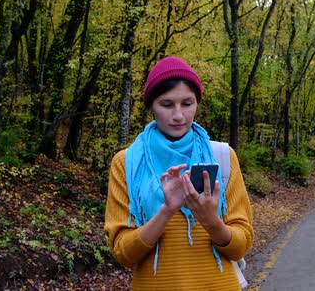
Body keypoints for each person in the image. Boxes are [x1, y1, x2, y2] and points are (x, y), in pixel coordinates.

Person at [104, 56, 254, 290]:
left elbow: (241, 245)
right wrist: (166, 211)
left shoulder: (222, 157)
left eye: (187, 103)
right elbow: (123, 254)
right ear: (151, 104)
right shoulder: (127, 163)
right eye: (166, 104)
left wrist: (210, 220)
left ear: (197, 103)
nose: (178, 115)